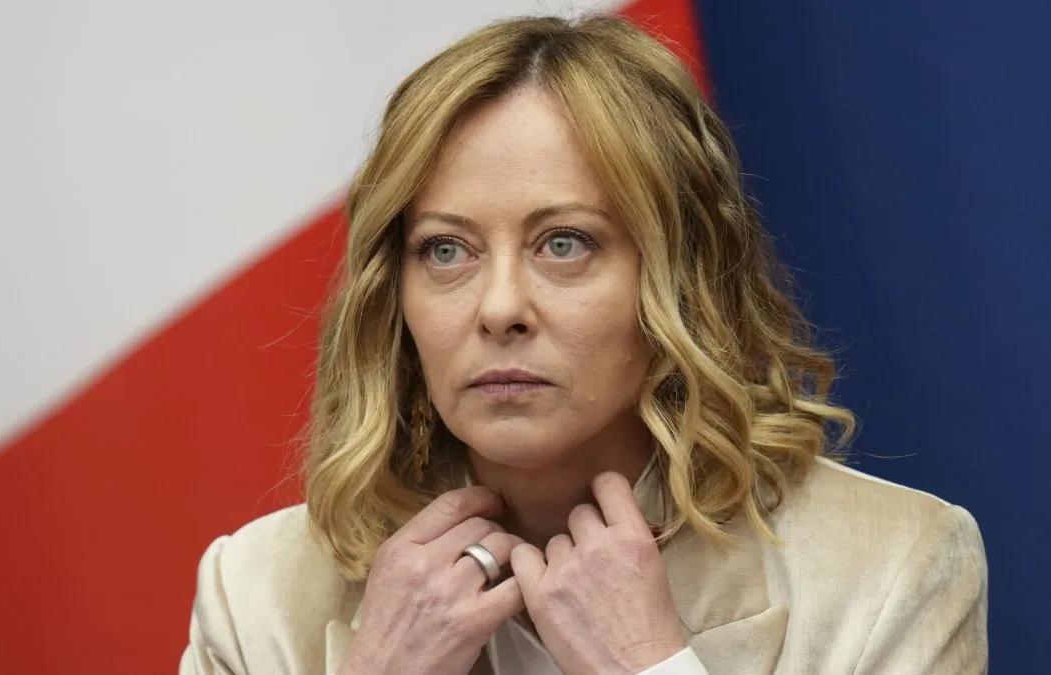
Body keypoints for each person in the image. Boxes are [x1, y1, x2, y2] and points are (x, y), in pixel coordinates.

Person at [179, 13, 988, 675]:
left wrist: (650, 666)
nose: (500, 307)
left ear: (678, 278)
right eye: (446, 250)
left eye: (563, 243)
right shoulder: (255, 595)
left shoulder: (893, 566)